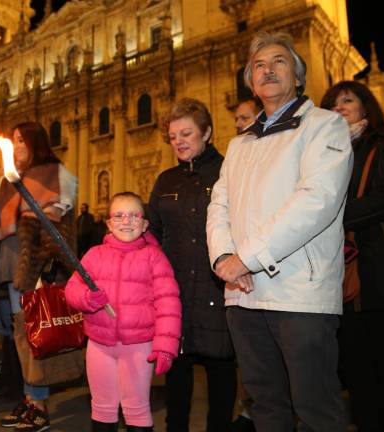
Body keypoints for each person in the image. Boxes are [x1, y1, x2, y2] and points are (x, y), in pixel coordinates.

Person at [207, 31, 352, 431]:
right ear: (251, 82)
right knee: (265, 402)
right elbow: (219, 205)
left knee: (315, 406)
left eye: (279, 61)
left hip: (299, 294)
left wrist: (247, 258)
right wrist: (222, 258)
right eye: (258, 65)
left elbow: (316, 201)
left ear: (298, 77)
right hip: (242, 294)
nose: (267, 70)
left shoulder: (325, 126)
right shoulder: (239, 144)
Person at [321, 79, 384, 431]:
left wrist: (332, 217)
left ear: (366, 106)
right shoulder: (325, 156)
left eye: (347, 100)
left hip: (382, 271)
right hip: (342, 276)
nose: (340, 107)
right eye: (332, 105)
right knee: (357, 372)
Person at [0, 121, 77, 431]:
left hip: (36, 264)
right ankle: (30, 398)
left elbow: (59, 212)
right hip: (8, 263)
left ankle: (39, 405)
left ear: (35, 143)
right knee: (22, 337)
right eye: (13, 141)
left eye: (21, 140)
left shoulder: (54, 172)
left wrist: (24, 222)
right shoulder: (6, 181)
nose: (16, 146)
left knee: (33, 336)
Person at [148, 97, 237, 432]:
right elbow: (153, 234)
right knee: (177, 369)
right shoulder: (165, 181)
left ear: (207, 132)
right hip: (176, 291)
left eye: (187, 133)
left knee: (221, 368)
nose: (179, 141)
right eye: (173, 137)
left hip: (218, 287)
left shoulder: (229, 172)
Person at [66, 192, 181, 432]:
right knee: (102, 407)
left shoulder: (154, 257)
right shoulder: (95, 255)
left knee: (136, 408)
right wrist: (88, 299)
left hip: (139, 348)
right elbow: (72, 289)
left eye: (133, 215)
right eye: (118, 215)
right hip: (99, 345)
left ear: (145, 223)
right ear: (108, 223)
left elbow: (168, 303)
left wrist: (165, 346)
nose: (126, 221)